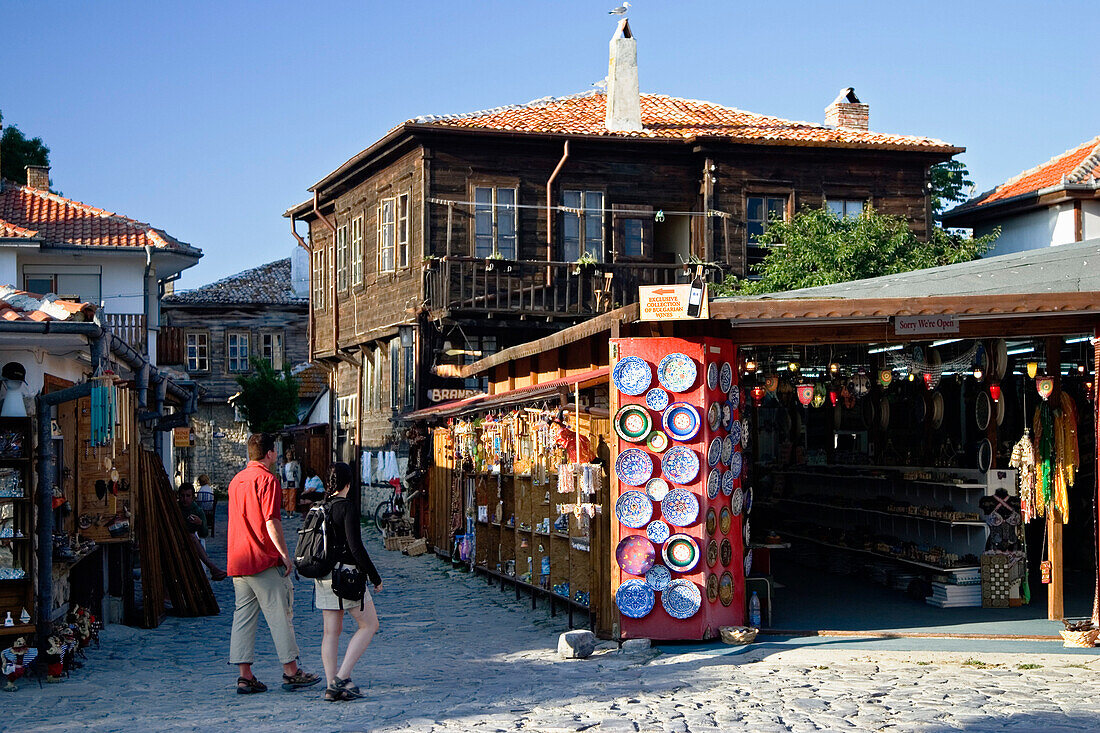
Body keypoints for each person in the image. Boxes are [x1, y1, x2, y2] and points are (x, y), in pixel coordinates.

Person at [227, 433, 320, 695]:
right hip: (262, 559)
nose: (277, 455)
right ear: (268, 453)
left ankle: (245, 676)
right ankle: (291, 670)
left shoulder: (236, 481)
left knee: (243, 618)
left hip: (238, 559)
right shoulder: (267, 480)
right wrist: (284, 554)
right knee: (280, 614)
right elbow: (271, 521)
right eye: (275, 451)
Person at [314, 462, 382, 702]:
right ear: (348, 484)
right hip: (347, 578)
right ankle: (341, 678)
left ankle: (331, 685)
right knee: (370, 625)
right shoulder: (347, 508)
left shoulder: (319, 507)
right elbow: (356, 548)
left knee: (330, 632)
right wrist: (374, 576)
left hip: (323, 576)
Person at [178, 483, 226, 580]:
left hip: (192, 541)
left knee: (193, 537)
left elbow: (204, 534)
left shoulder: (197, 511)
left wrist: (200, 523)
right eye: (182, 496)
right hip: (177, 538)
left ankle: (212, 568)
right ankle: (212, 567)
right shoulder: (176, 508)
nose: (185, 499)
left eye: (188, 496)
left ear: (193, 497)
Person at [282, 449, 301, 519]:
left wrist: (298, 481)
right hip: (285, 482)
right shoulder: (283, 464)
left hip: (293, 480)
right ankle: (287, 511)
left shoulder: (295, 463)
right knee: (285, 497)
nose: (289, 456)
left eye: (290, 455)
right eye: (287, 455)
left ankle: (292, 511)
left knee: (292, 497)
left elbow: (298, 473)